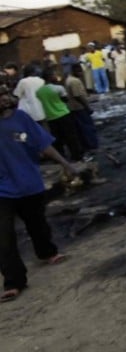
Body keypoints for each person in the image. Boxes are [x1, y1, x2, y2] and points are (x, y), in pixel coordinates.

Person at [0, 84, 78, 303]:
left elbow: (42, 144)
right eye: (0, 95)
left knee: (37, 224)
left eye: (5, 93)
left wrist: (66, 164)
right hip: (3, 191)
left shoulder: (21, 118)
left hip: (28, 184)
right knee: (4, 237)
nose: (5, 98)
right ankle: (13, 282)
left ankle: (46, 252)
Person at [36, 68, 83, 162]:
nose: (56, 76)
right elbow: (65, 99)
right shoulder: (58, 88)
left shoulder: (39, 91)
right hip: (63, 114)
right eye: (54, 74)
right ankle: (76, 156)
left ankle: (61, 158)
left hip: (50, 117)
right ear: (50, 76)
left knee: (57, 140)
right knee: (71, 137)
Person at [64, 65, 99, 152]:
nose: (81, 73)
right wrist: (87, 107)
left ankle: (86, 145)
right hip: (79, 107)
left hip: (73, 108)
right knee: (87, 127)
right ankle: (92, 145)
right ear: (74, 71)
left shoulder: (68, 79)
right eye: (79, 71)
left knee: (80, 128)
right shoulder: (74, 81)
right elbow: (78, 96)